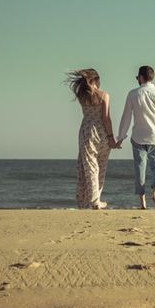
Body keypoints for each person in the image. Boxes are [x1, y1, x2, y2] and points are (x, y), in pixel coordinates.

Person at [117, 65, 155, 209]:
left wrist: (121, 136)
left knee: (139, 168)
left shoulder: (133, 94)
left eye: (137, 77)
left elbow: (126, 117)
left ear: (141, 77)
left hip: (138, 137)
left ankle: (142, 202)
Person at [67, 68, 120, 209]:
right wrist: (111, 138)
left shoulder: (81, 96)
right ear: (95, 80)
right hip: (102, 133)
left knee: (89, 167)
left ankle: (89, 200)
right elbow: (106, 118)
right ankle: (96, 200)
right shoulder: (103, 95)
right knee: (100, 168)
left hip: (86, 132)